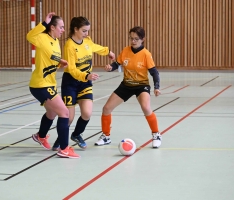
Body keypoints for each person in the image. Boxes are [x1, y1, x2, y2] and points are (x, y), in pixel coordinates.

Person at [51, 16, 115, 151]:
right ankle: (60, 139)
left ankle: (76, 134)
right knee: (68, 117)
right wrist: (87, 75)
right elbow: (72, 69)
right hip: (71, 83)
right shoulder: (69, 46)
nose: (87, 34)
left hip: (85, 83)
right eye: (84, 31)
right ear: (75, 29)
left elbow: (94, 47)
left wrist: (108, 52)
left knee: (87, 113)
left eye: (87, 31)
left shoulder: (87, 41)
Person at [94, 26, 162, 148]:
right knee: (106, 108)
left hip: (141, 86)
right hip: (126, 85)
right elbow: (117, 64)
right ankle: (106, 136)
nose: (133, 41)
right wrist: (110, 68)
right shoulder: (126, 50)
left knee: (146, 108)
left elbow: (154, 72)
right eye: (131, 38)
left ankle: (156, 134)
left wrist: (157, 87)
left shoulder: (146, 54)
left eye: (136, 39)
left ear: (143, 39)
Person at [26, 12, 80, 158]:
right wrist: (44, 23)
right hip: (40, 85)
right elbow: (29, 36)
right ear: (52, 27)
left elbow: (49, 59)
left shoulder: (56, 41)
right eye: (61, 27)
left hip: (49, 84)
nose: (63, 30)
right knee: (64, 113)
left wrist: (59, 63)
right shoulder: (42, 37)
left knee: (52, 112)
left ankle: (41, 136)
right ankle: (64, 148)